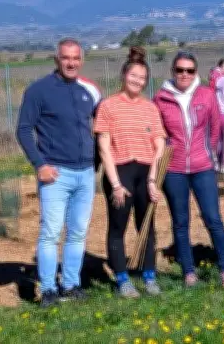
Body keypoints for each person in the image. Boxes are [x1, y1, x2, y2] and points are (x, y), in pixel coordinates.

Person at [16, 38, 102, 307]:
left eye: (76, 58)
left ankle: (71, 284)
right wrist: (40, 164)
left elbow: (102, 125)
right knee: (51, 233)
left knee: (77, 232)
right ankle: (49, 289)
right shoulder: (38, 91)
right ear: (56, 59)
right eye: (66, 58)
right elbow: (23, 130)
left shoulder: (90, 90)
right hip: (56, 173)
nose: (71, 63)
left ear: (82, 60)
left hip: (85, 173)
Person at [155, 51, 224, 289]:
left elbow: (216, 128)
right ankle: (189, 272)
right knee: (180, 222)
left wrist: (209, 154)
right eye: (179, 70)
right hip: (174, 169)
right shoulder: (161, 99)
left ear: (196, 72)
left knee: (213, 218)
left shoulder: (207, 95)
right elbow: (158, 134)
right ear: (172, 72)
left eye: (189, 70)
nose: (184, 74)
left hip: (202, 167)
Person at [94, 46, 167, 298]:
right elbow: (104, 147)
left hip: (146, 173)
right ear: (124, 75)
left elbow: (159, 145)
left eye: (142, 78)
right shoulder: (108, 106)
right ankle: (123, 279)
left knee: (146, 227)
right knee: (118, 227)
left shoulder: (150, 108)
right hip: (120, 172)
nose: (137, 81)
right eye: (133, 76)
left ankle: (149, 276)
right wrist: (115, 184)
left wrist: (152, 181)